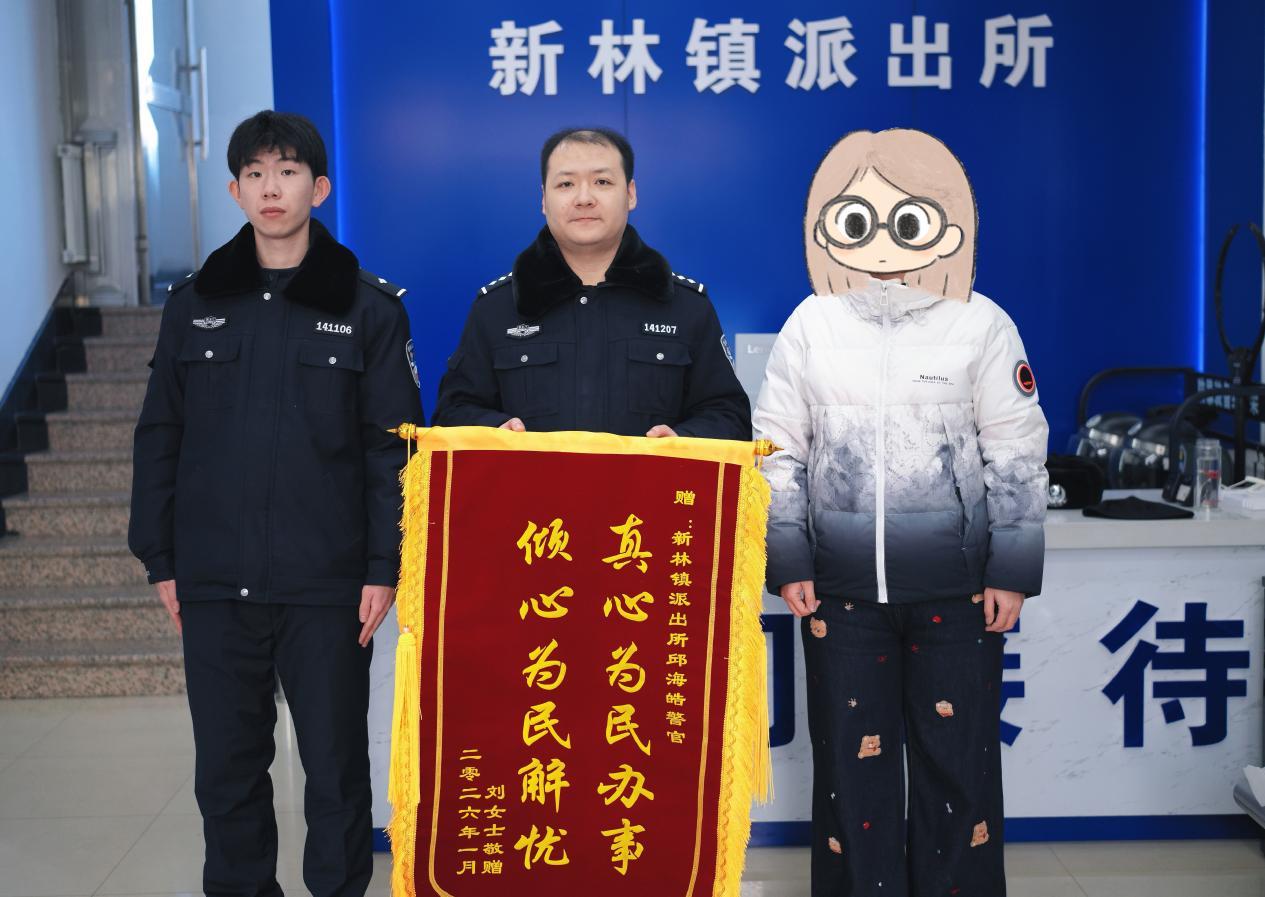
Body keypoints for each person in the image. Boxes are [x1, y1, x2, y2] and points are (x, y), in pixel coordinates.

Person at [128, 110, 423, 897]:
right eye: (255, 173)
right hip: (215, 577)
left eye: (287, 171)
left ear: (318, 188)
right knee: (226, 770)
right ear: (234, 190)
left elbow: (391, 451)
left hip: (327, 582)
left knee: (334, 768)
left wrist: (384, 564)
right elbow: (160, 432)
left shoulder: (369, 307)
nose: (270, 187)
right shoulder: (194, 303)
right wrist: (161, 557)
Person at [753, 128, 1048, 896]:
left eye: (907, 215)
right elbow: (776, 451)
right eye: (859, 216)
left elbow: (1016, 451)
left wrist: (1011, 568)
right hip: (839, 593)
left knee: (960, 767)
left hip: (957, 590)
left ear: (946, 219)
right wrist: (788, 559)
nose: (882, 237)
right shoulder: (811, 323)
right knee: (850, 771)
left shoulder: (980, 323)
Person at [432, 126, 750, 441]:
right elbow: (452, 412)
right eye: (566, 184)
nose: (584, 198)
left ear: (630, 194)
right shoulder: (496, 309)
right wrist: (495, 433)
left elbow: (728, 415)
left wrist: (682, 440)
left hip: (653, 479)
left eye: (602, 182)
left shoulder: (686, 308)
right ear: (543, 199)